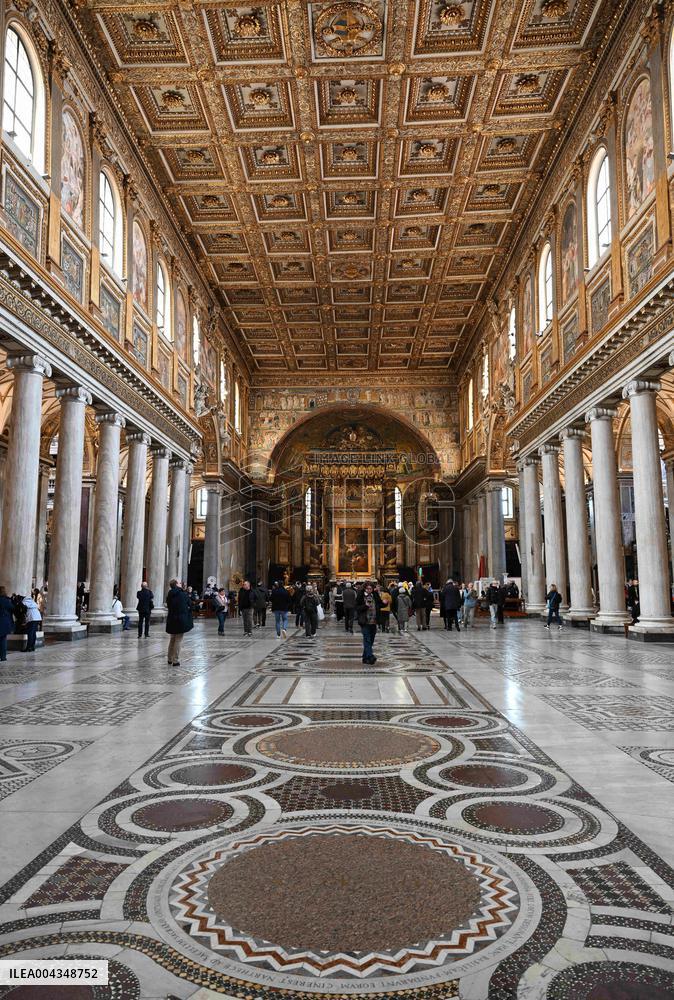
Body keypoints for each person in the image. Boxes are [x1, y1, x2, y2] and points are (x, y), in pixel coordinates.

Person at [166, 579, 193, 663]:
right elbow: (190, 604)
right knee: (178, 640)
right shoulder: (183, 594)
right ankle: (175, 660)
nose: (181, 584)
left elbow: (169, 605)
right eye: (180, 583)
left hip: (172, 619)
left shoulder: (170, 594)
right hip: (180, 619)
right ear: (177, 584)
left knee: (172, 639)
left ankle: (169, 658)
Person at [356, 581, 379, 664]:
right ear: (365, 589)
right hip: (365, 621)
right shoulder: (360, 596)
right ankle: (370, 656)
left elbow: (379, 604)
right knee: (367, 639)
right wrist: (365, 606)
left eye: (371, 589)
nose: (369, 590)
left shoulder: (375, 595)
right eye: (368, 589)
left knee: (371, 640)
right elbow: (357, 608)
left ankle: (365, 658)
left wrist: (384, 603)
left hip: (374, 621)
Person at [0, 587, 14, 662]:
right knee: (3, 639)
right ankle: (3, 657)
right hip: (4, 621)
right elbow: (12, 608)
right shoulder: (6, 600)